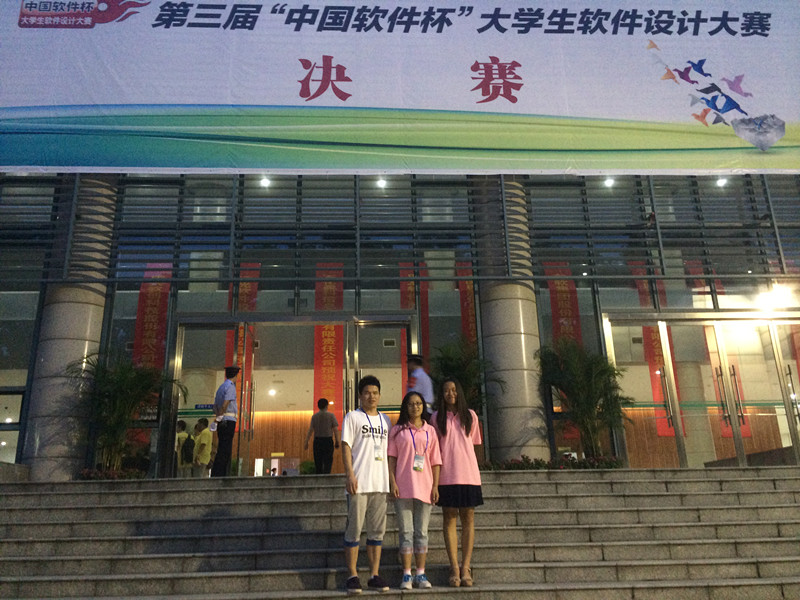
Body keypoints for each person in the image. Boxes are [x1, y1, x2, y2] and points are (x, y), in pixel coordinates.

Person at [341, 375, 391, 595]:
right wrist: (350, 474)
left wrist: (392, 480)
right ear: (360, 395)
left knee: (377, 532)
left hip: (380, 483)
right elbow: (345, 446)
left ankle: (374, 575)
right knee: (354, 530)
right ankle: (352, 575)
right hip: (359, 483)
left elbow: (390, 453)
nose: (372, 396)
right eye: (367, 393)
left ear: (380, 395)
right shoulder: (352, 417)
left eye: (375, 393)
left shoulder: (386, 420)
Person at [432, 377, 483, 588]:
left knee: (468, 518)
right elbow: (434, 449)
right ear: (441, 394)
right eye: (446, 390)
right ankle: (454, 567)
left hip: (469, 474)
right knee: (449, 518)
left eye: (453, 390)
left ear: (459, 392)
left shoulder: (470, 415)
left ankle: (466, 567)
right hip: (447, 475)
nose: (450, 393)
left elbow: (476, 444)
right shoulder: (436, 418)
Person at [388, 391, 441, 590]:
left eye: (418, 403)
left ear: (423, 406)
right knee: (406, 532)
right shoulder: (398, 431)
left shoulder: (430, 431)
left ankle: (421, 573)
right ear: (405, 407)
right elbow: (391, 459)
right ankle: (406, 574)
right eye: (411, 404)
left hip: (425, 487)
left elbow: (436, 461)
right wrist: (392, 482)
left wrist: (435, 486)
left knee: (422, 532)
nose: (415, 407)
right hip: (402, 487)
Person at [211, 365, 240, 477]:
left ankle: (215, 473)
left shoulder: (221, 387)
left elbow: (215, 406)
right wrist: (220, 417)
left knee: (221, 447)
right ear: (236, 375)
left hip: (222, 421)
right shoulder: (231, 387)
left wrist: (218, 418)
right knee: (225, 449)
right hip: (228, 421)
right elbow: (225, 404)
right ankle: (220, 475)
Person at [304, 397, 341, 474]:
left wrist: (306, 441)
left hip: (317, 441)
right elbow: (335, 429)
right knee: (328, 461)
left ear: (318, 406)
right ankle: (326, 476)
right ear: (327, 406)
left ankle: (319, 477)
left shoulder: (314, 416)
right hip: (328, 440)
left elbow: (310, 430)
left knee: (318, 461)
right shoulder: (331, 415)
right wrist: (337, 441)